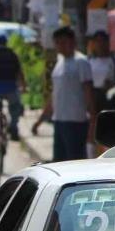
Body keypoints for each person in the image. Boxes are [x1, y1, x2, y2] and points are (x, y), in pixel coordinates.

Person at [33, 26, 95, 162]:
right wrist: (40, 120)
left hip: (76, 121)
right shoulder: (60, 63)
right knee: (59, 161)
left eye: (63, 42)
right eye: (57, 42)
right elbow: (55, 95)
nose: (60, 46)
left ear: (72, 42)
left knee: (74, 161)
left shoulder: (81, 62)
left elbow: (88, 91)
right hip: (59, 120)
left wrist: (92, 120)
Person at [86, 30, 115, 115]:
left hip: (109, 97)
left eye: (103, 41)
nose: (100, 44)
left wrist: (113, 84)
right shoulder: (89, 60)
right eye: (97, 41)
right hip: (93, 96)